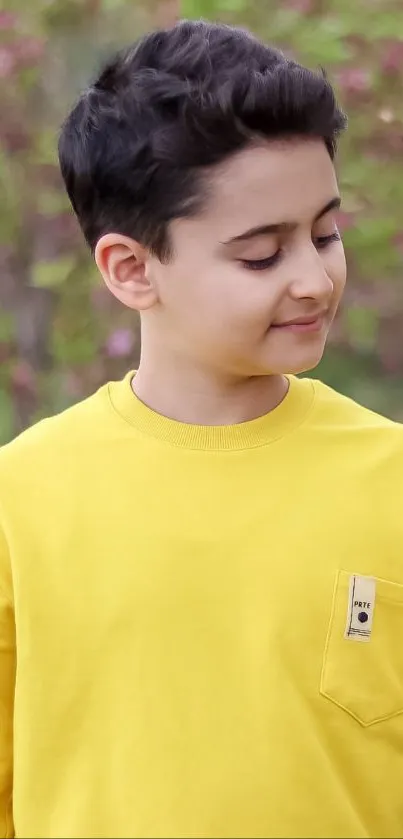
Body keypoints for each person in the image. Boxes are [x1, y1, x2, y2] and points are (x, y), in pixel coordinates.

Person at [0, 17, 402, 839]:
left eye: (324, 233)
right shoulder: (21, 502)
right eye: (261, 255)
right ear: (131, 269)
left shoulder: (388, 477)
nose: (313, 278)